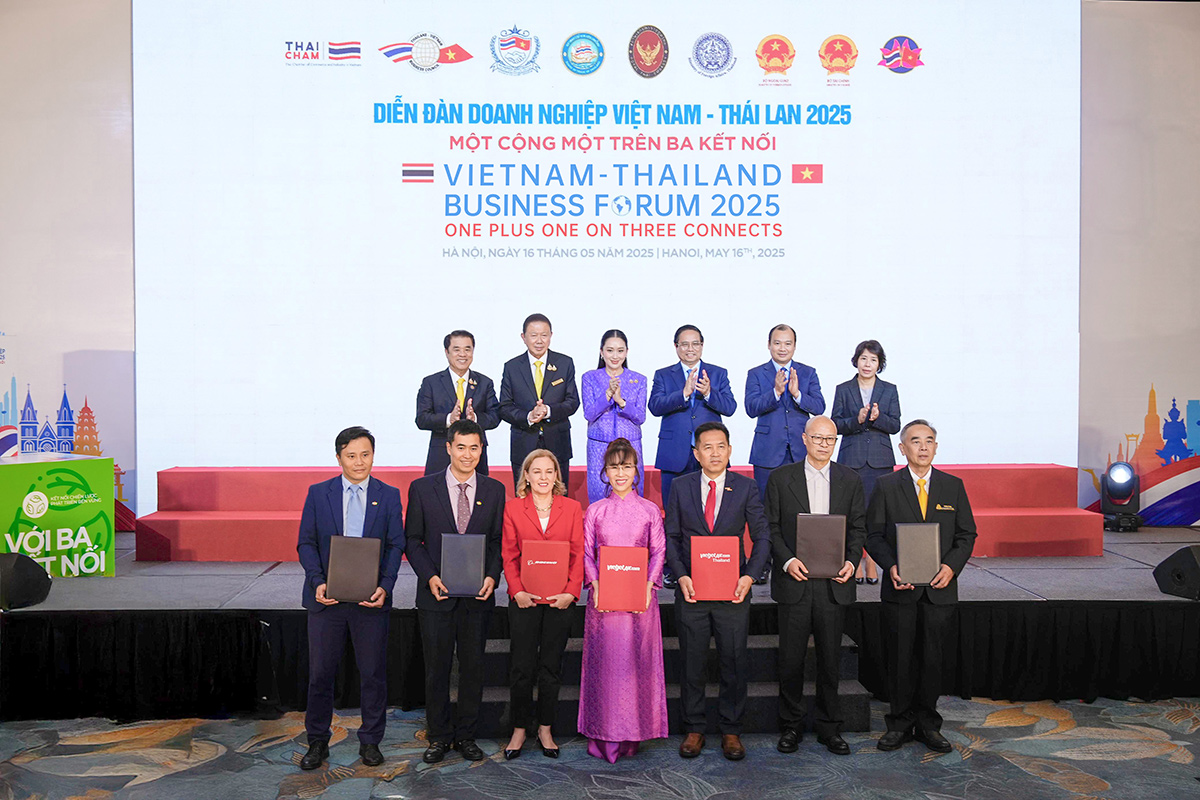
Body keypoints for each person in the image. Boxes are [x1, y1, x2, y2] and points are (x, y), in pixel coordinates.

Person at [296, 426, 405, 771]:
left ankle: (370, 741)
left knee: (372, 674)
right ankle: (317, 740)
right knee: (320, 675)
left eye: (365, 454)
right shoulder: (319, 493)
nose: (359, 462)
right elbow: (306, 543)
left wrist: (385, 585)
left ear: (373, 455)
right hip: (326, 600)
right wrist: (317, 581)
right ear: (339, 458)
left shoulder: (388, 495)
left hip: (370, 600)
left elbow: (395, 545)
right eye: (351, 455)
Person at [866, 419, 976, 754]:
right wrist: (891, 566)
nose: (923, 447)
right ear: (903, 448)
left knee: (933, 659)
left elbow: (966, 534)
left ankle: (929, 724)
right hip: (900, 589)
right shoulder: (886, 486)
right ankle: (898, 724)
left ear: (936, 447)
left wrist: (951, 567)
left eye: (929, 441)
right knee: (900, 658)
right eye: (915, 441)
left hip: (940, 590)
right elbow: (874, 535)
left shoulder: (952, 486)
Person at [665, 422, 770, 760]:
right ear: (696, 453)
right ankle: (694, 728)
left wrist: (750, 576)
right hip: (692, 591)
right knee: (692, 662)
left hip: (733, 591)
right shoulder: (680, 486)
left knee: (733, 661)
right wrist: (680, 575)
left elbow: (762, 536)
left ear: (729, 450)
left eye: (720, 446)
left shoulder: (746, 487)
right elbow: (671, 537)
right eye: (707, 447)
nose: (714, 453)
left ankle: (731, 729)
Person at [404, 419, 506, 764]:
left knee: (473, 668)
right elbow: (412, 540)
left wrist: (492, 576)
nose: (467, 454)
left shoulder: (495, 490)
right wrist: (430, 576)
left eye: (474, 447)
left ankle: (466, 736)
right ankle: (438, 736)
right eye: (461, 447)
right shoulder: (422, 488)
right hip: (436, 596)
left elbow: (497, 541)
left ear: (482, 450)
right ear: (448, 448)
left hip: (478, 596)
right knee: (437, 669)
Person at [766, 416, 866, 757]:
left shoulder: (850, 480)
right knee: (791, 660)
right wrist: (787, 561)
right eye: (818, 438)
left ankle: (829, 727)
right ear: (805, 439)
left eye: (830, 439)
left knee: (830, 660)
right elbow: (771, 528)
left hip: (833, 584)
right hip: (794, 582)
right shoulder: (781, 479)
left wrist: (851, 561)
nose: (824, 444)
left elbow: (858, 529)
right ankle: (790, 726)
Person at [577, 438, 668, 762]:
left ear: (636, 470)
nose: (620, 473)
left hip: (641, 601)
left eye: (626, 466)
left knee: (636, 669)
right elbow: (586, 553)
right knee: (607, 669)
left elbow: (658, 551)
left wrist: (648, 585)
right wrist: (596, 584)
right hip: (603, 603)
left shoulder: (649, 511)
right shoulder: (596, 511)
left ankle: (635, 733)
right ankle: (603, 734)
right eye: (614, 467)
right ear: (604, 471)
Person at [501, 449, 585, 760]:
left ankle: (546, 728)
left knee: (551, 666)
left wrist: (571, 592)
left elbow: (578, 553)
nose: (543, 477)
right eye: (537, 471)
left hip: (560, 601)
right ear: (526, 475)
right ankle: (519, 728)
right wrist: (517, 591)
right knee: (521, 667)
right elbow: (509, 555)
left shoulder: (572, 508)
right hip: (524, 600)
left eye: (549, 471)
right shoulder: (513, 508)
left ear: (557, 476)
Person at [831, 339, 901, 585]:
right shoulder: (843, 389)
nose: (867, 364)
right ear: (856, 360)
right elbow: (836, 424)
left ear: (879, 364)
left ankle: (871, 560)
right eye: (863, 358)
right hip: (851, 458)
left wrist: (878, 418)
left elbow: (895, 425)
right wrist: (857, 419)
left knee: (877, 513)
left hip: (880, 460)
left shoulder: (889, 389)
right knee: (852, 512)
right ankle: (855, 559)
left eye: (873, 359)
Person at [648, 324, 737, 510]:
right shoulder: (663, 375)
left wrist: (709, 393)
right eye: (685, 344)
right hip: (674, 453)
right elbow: (655, 407)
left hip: (709, 452)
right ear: (676, 346)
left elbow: (730, 407)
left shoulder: (718, 373)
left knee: (711, 510)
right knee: (674, 511)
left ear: (702, 346)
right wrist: (683, 394)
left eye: (695, 344)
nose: (690, 349)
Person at [500, 313, 580, 493]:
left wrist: (549, 411)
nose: (539, 341)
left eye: (544, 335)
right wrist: (528, 416)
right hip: (524, 441)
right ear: (523, 337)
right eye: (533, 335)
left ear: (551, 335)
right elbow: (504, 407)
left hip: (557, 441)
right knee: (524, 496)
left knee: (559, 496)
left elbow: (572, 401)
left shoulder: (564, 363)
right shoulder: (512, 367)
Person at [745, 324, 825, 499]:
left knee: (800, 502)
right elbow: (751, 408)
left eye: (788, 344)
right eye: (777, 343)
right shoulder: (756, 373)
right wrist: (775, 392)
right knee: (766, 504)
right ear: (769, 345)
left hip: (801, 449)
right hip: (767, 451)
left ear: (795, 346)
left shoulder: (808, 372)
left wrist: (797, 395)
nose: (782, 348)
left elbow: (819, 407)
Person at [415, 329, 501, 475]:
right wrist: (448, 419)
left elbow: (495, 416)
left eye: (467, 349)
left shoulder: (484, 382)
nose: (463, 354)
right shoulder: (431, 383)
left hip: (475, 457)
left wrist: (475, 419)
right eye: (456, 350)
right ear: (446, 352)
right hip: (441, 454)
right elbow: (422, 419)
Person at [581, 329, 648, 503]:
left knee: (631, 496)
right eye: (610, 350)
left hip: (631, 445)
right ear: (601, 352)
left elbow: (640, 417)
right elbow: (589, 414)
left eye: (620, 350)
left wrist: (621, 401)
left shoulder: (639, 380)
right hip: (599, 446)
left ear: (626, 352)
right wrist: (607, 396)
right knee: (599, 496)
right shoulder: (590, 378)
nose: (615, 356)